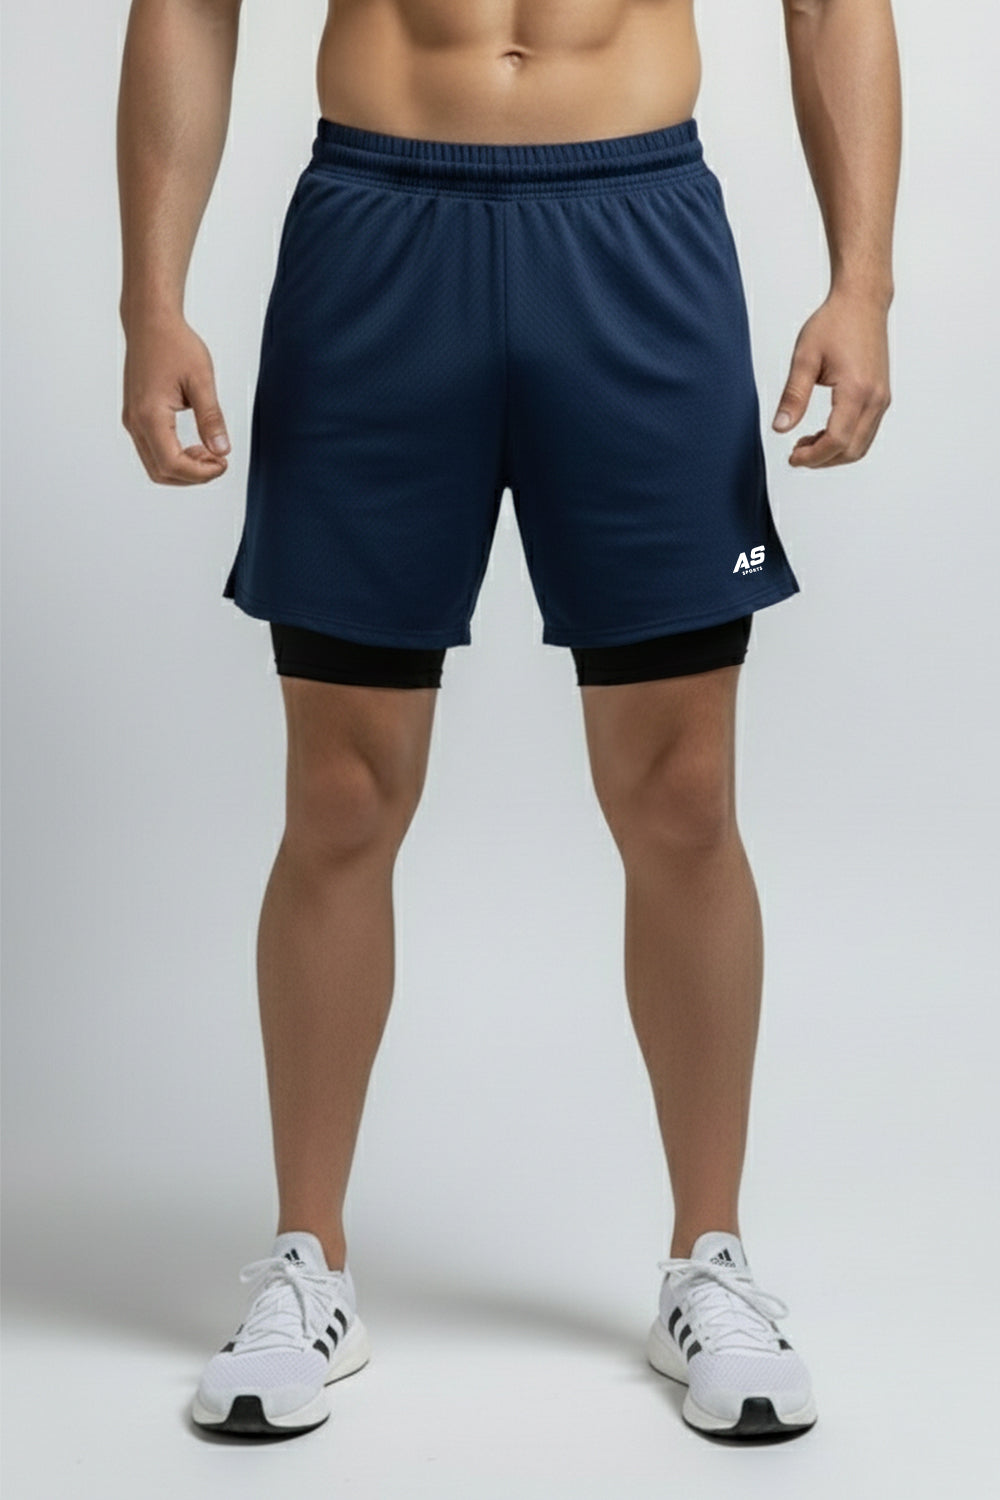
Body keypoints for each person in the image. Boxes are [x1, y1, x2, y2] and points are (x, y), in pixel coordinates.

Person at [117, 0, 900, 1444]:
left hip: (633, 225)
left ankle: (711, 1259)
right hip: (378, 227)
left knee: (683, 796)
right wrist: (148, 299)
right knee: (341, 796)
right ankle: (306, 1264)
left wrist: (865, 282)